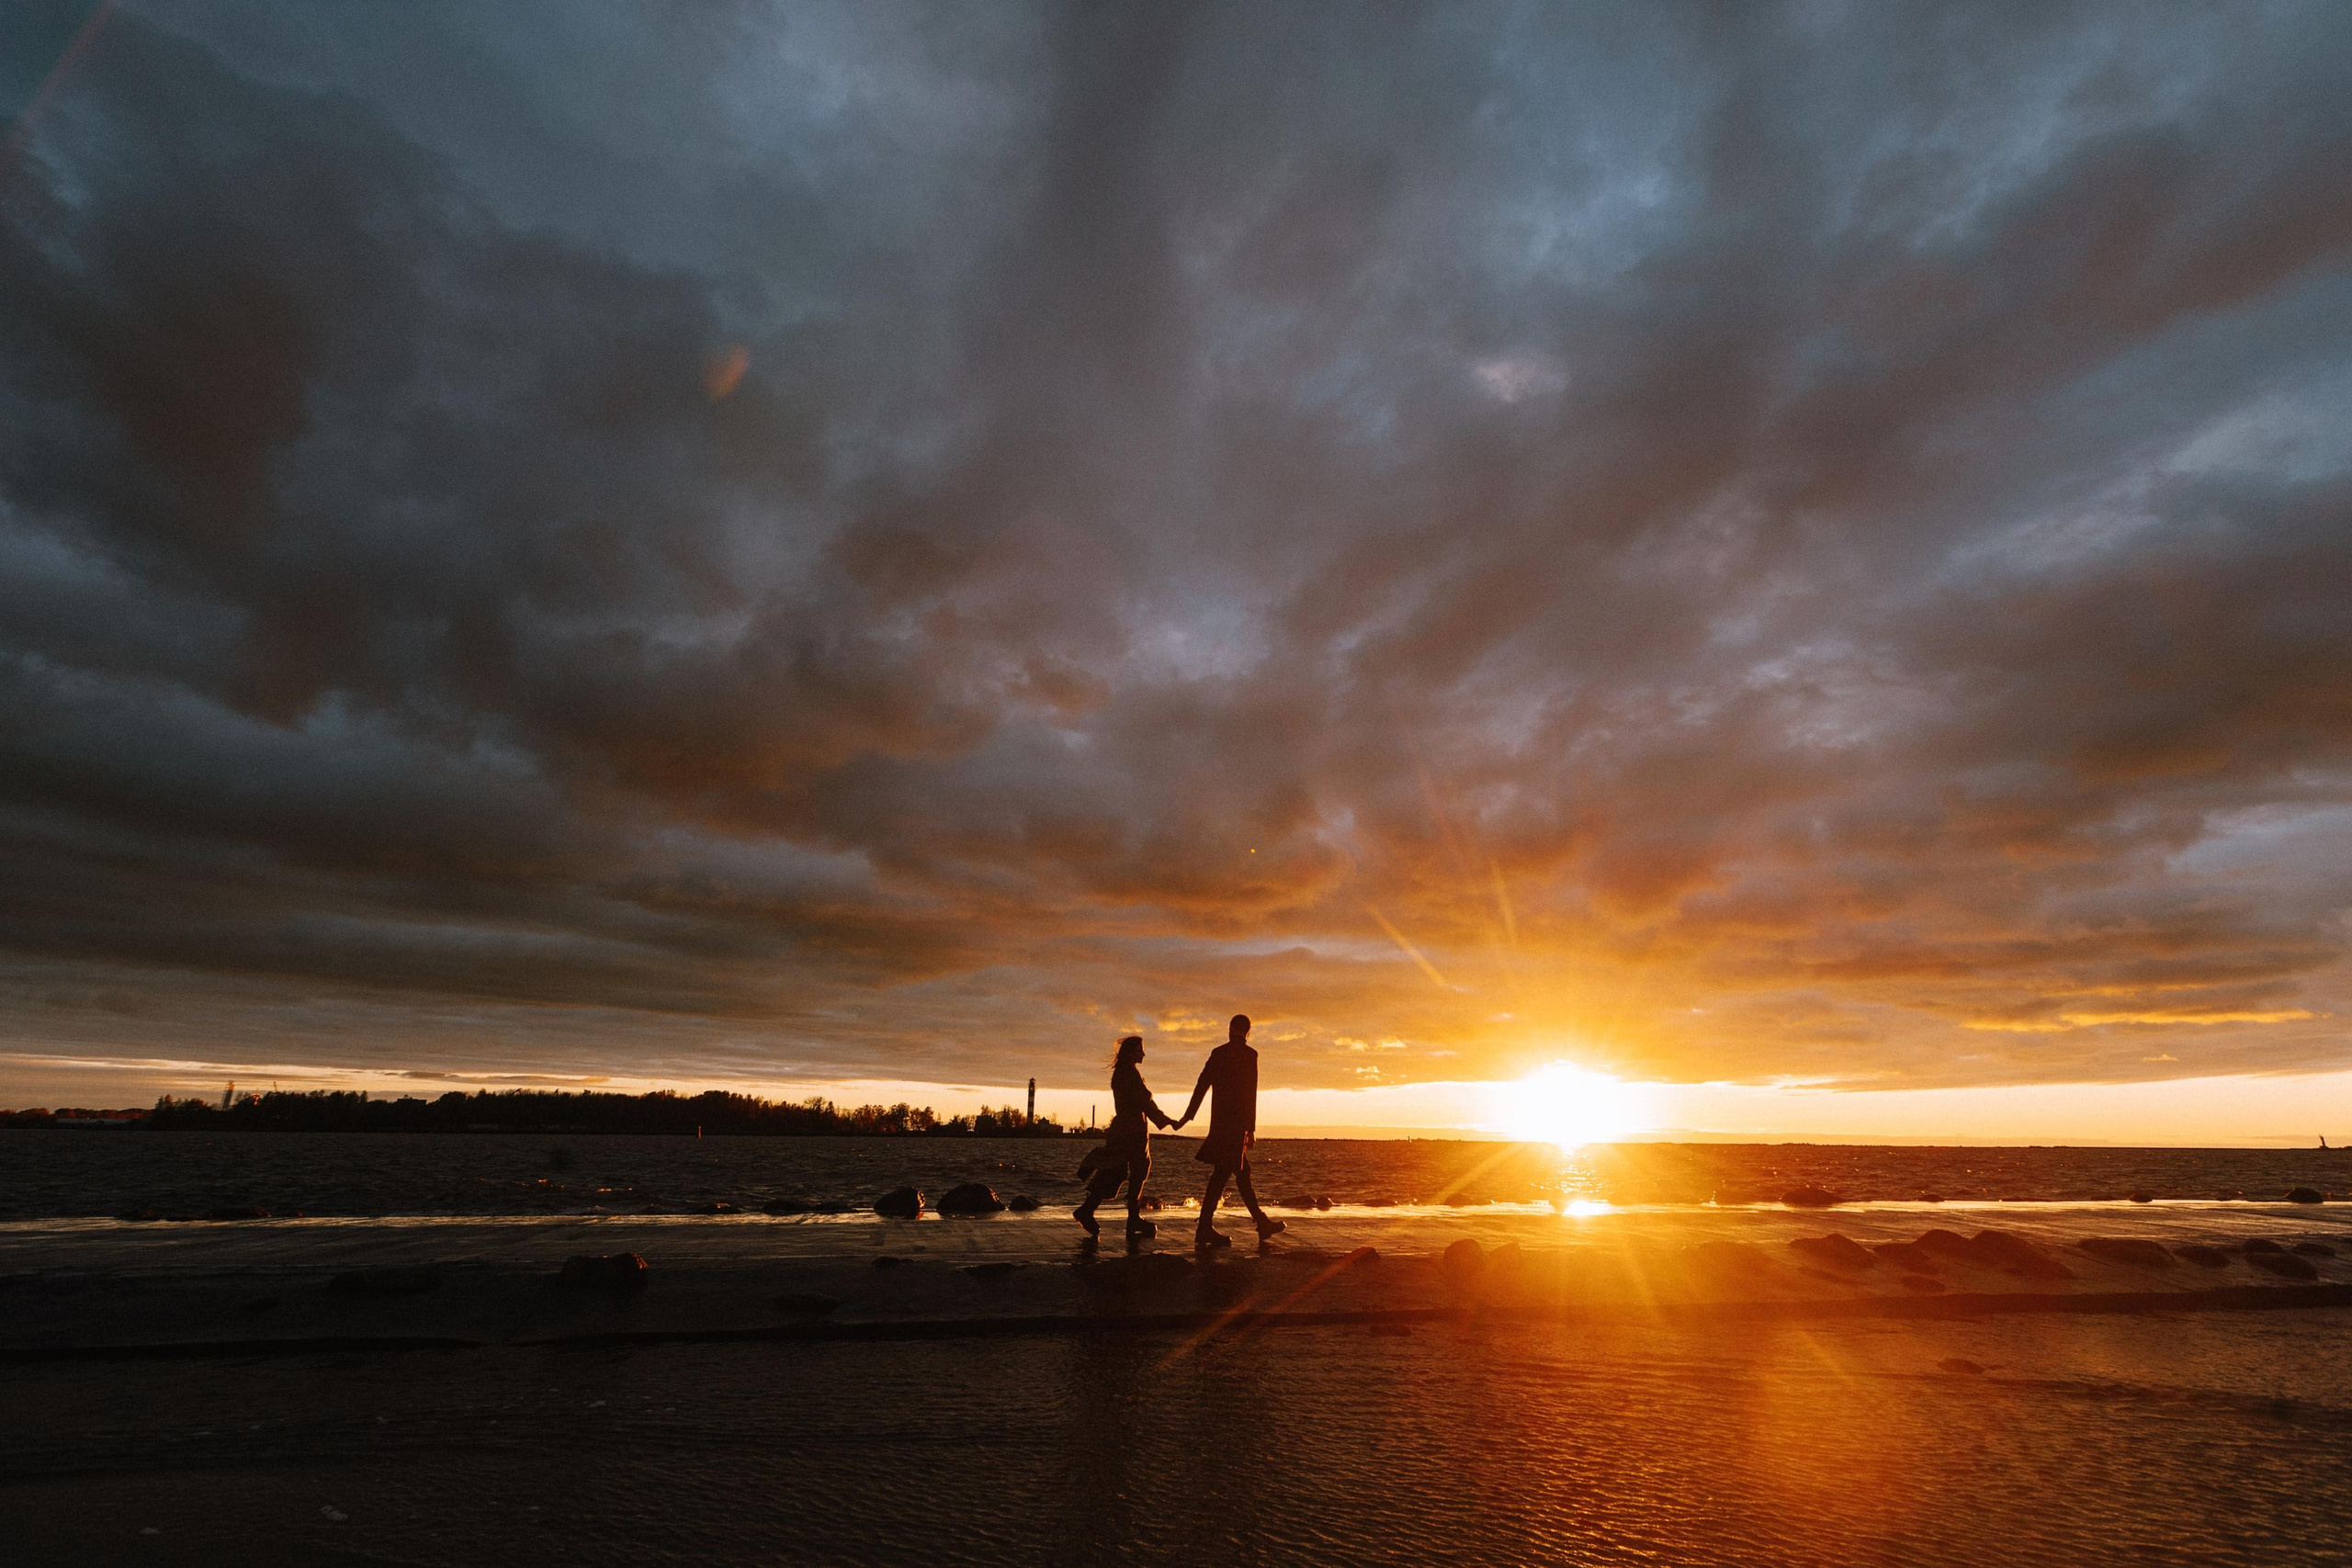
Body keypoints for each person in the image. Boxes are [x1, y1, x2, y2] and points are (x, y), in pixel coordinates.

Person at [1176, 1014, 1285, 1247]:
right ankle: (1208, 1228)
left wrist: (1188, 1114)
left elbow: (1201, 1084)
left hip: (1220, 1125)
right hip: (1237, 1127)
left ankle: (1255, 1222)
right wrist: (1251, 1129)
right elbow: (1250, 1094)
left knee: (1236, 1173)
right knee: (1227, 1175)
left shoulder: (1218, 1053)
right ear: (1248, 1032)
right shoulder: (1249, 1055)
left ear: (1230, 1030)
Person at [1073, 1035, 1174, 1240]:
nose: (1143, 1054)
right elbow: (1144, 1101)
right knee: (1138, 1171)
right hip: (1132, 1130)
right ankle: (1132, 1219)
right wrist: (1165, 1120)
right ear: (1130, 1052)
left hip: (1123, 1129)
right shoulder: (1129, 1074)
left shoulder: (1123, 1073)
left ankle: (1089, 1210)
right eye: (1140, 1050)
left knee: (1115, 1171)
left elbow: (1141, 1102)